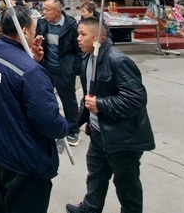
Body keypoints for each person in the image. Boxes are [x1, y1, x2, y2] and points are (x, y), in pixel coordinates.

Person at [0, 5, 68, 213]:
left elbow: (12, 88)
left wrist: (32, 59)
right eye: (34, 28)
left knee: (0, 201)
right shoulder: (30, 72)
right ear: (25, 31)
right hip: (25, 158)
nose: (36, 33)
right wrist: (64, 125)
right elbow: (49, 122)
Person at [65, 18, 156, 213]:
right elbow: (89, 96)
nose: (78, 38)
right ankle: (90, 209)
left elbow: (136, 100)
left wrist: (101, 104)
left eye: (83, 34)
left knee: (126, 184)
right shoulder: (87, 58)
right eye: (78, 34)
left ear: (98, 37)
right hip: (99, 132)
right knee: (96, 174)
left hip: (122, 137)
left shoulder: (118, 60)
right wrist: (81, 122)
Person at [36, 0, 83, 145]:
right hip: (46, 67)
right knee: (45, 98)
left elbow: (79, 51)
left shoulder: (71, 26)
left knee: (68, 101)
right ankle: (51, 126)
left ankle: (73, 130)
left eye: (47, 10)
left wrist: (74, 69)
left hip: (64, 70)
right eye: (43, 9)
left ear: (58, 11)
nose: (44, 12)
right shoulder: (42, 23)